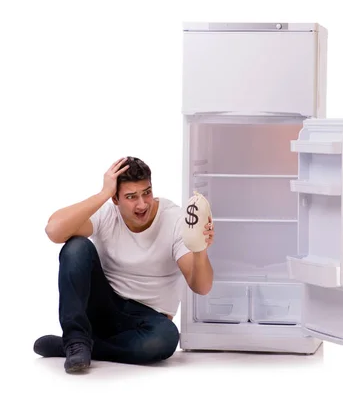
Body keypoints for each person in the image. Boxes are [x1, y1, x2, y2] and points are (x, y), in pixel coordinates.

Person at [33, 157, 214, 373]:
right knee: (76, 247)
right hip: (103, 306)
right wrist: (102, 195)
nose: (142, 204)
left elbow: (201, 286)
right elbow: (54, 230)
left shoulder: (174, 219)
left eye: (146, 192)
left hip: (147, 319)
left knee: (166, 338)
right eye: (131, 197)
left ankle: (76, 346)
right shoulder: (108, 213)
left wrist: (199, 248)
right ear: (115, 199)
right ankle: (76, 340)